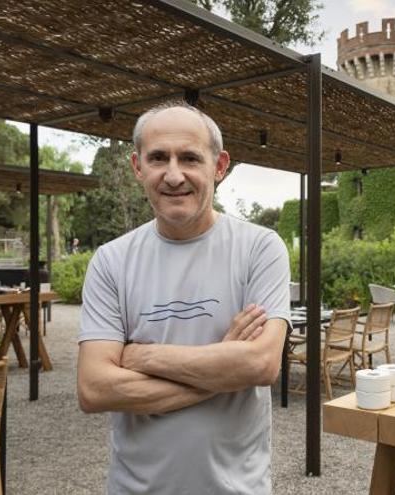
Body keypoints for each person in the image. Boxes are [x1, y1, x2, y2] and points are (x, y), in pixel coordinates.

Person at [77, 101, 290, 494]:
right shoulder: (111, 260)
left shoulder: (259, 248)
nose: (174, 175)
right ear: (138, 167)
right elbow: (94, 389)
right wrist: (224, 368)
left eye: (190, 158)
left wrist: (143, 356)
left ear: (219, 166)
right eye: (158, 158)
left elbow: (260, 364)